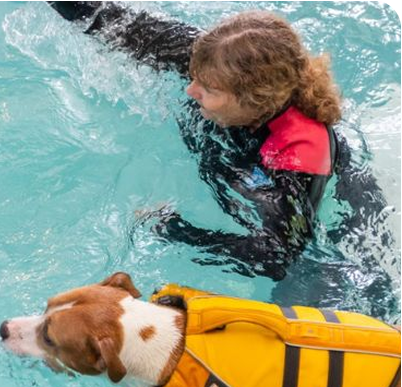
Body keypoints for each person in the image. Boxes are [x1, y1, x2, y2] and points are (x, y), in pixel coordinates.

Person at [45, 1, 391, 286]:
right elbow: (115, 25)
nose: (190, 90)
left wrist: (175, 229)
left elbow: (273, 256)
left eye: (207, 90)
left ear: (252, 100)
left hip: (341, 230)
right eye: (194, 77)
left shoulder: (297, 159)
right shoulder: (220, 61)